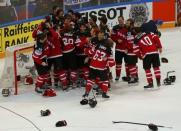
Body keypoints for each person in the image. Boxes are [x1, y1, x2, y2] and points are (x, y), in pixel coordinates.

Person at [82, 30, 115, 99]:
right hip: (101, 67)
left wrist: (87, 53)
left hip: (92, 65)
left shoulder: (97, 45)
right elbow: (112, 63)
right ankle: (104, 93)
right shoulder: (109, 51)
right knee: (105, 80)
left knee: (90, 80)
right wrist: (108, 63)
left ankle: (86, 93)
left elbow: (89, 52)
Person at [111, 16, 128, 81]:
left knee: (127, 63)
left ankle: (128, 75)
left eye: (121, 20)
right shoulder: (115, 28)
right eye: (119, 20)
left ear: (123, 20)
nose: (120, 21)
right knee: (118, 63)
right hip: (118, 49)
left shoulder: (127, 27)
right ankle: (117, 76)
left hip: (126, 49)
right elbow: (112, 36)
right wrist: (116, 40)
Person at [125, 18, 139, 84]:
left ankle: (134, 78)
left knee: (130, 65)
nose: (126, 24)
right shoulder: (132, 30)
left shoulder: (130, 31)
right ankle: (135, 76)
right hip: (134, 50)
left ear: (131, 24)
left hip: (131, 51)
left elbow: (130, 42)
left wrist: (127, 48)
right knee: (133, 64)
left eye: (127, 23)